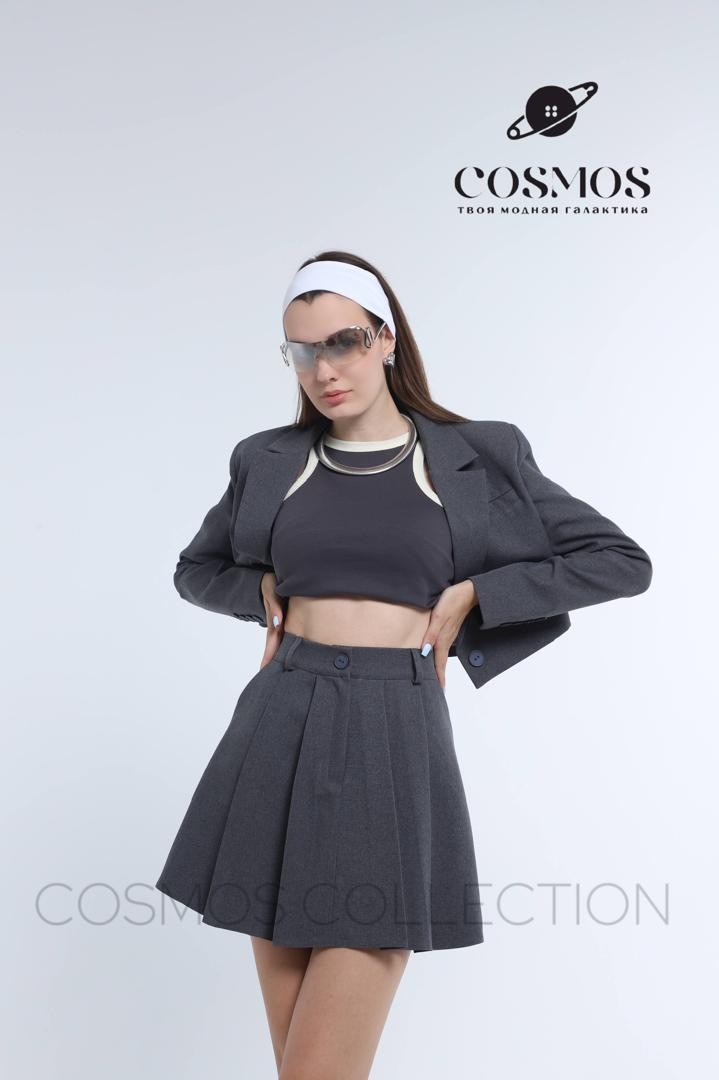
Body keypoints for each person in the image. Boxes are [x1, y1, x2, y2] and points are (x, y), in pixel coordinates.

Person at [155, 251, 652, 1078]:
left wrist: (480, 594)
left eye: (342, 342)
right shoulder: (267, 459)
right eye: (302, 351)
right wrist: (261, 591)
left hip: (394, 724)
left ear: (385, 338)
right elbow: (194, 568)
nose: (323, 369)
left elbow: (620, 561)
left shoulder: (477, 454)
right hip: (277, 720)